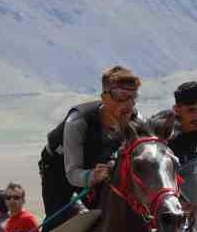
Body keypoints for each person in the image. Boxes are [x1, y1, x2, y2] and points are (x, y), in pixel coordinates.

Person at [40, 65, 142, 220]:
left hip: (98, 167)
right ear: (105, 97)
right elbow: (73, 173)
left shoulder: (136, 119)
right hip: (60, 170)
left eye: (133, 97)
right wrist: (91, 176)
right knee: (57, 223)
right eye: (121, 96)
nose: (128, 105)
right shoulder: (78, 121)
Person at [148, 81, 197, 199]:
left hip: (189, 163)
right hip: (161, 168)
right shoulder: (160, 125)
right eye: (191, 110)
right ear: (177, 109)